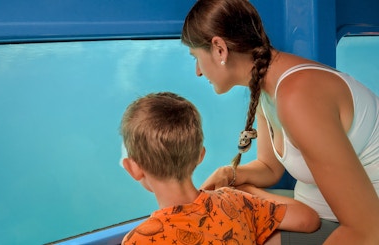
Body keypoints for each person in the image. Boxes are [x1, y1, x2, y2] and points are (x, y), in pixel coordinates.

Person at [180, 0, 379, 244]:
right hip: (319, 210)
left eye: (196, 58)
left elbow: (367, 230)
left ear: (219, 49)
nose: (198, 71)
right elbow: (270, 167)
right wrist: (229, 175)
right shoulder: (267, 85)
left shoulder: (298, 97)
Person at [119, 92, 320, 245]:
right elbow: (308, 219)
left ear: (133, 168)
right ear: (200, 155)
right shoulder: (235, 202)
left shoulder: (140, 239)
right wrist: (249, 192)